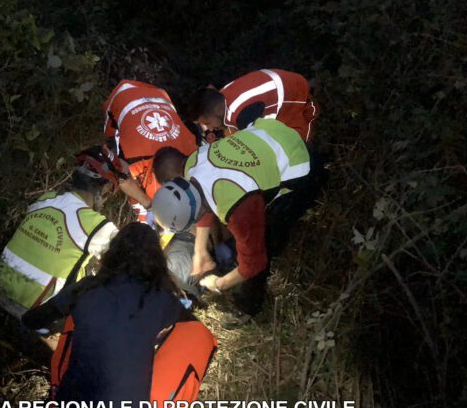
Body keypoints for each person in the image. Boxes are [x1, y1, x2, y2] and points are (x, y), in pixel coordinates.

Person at [22, 223, 217, 408]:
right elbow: (184, 321)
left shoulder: (85, 288)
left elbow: (31, 320)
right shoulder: (160, 299)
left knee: (78, 319)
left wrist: (51, 330)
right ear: (156, 260)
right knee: (198, 335)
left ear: (112, 254)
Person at [151, 118, 323, 316]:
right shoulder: (192, 163)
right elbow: (200, 199)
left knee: (267, 239)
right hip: (272, 133)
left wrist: (220, 283)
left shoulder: (237, 207)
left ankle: (249, 308)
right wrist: (200, 251)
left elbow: (253, 264)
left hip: (300, 163)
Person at [0, 146, 120, 323]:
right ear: (105, 188)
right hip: (35, 313)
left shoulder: (46, 198)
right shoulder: (95, 225)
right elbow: (131, 256)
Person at [103, 79, 198, 223]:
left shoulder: (193, 152)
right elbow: (123, 178)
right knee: (115, 165)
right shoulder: (133, 158)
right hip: (121, 98)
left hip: (160, 96)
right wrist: (148, 206)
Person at [188, 69, 318, 144]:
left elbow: (257, 143)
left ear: (216, 109)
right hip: (290, 83)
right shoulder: (223, 95)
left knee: (298, 147)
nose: (210, 128)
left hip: (297, 99)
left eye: (207, 122)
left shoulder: (242, 114)